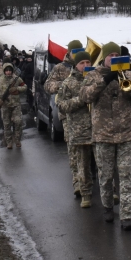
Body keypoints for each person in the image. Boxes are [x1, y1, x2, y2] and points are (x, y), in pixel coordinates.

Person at [80, 42, 131, 231]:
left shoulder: (129, 75)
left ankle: (126, 215)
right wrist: (104, 80)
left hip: (126, 133)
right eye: (111, 55)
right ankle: (108, 206)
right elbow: (85, 97)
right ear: (104, 58)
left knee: (126, 175)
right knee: (106, 176)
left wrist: (129, 82)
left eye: (117, 55)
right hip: (103, 134)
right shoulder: (93, 75)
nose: (114, 58)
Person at [56, 51, 95, 208]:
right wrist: (81, 100)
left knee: (104, 163)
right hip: (79, 130)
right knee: (83, 165)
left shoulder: (96, 79)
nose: (85, 66)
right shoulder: (68, 83)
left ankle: (109, 192)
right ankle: (85, 194)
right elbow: (61, 105)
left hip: (98, 129)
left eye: (88, 62)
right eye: (82, 63)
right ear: (76, 65)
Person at [46, 40, 84, 194]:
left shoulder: (86, 64)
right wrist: (64, 84)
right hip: (68, 114)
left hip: (87, 114)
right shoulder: (60, 68)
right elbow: (48, 85)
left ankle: (88, 179)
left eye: (80, 50)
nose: (78, 53)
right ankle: (77, 182)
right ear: (69, 52)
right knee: (73, 149)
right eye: (75, 51)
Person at [0, 62, 28, 150]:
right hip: (5, 106)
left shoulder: (17, 79)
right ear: (4, 71)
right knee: (7, 125)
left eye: (10, 70)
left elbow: (25, 87)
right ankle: (9, 142)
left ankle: (17, 140)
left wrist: (17, 88)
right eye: (6, 70)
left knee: (18, 122)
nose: (8, 72)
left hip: (16, 105)